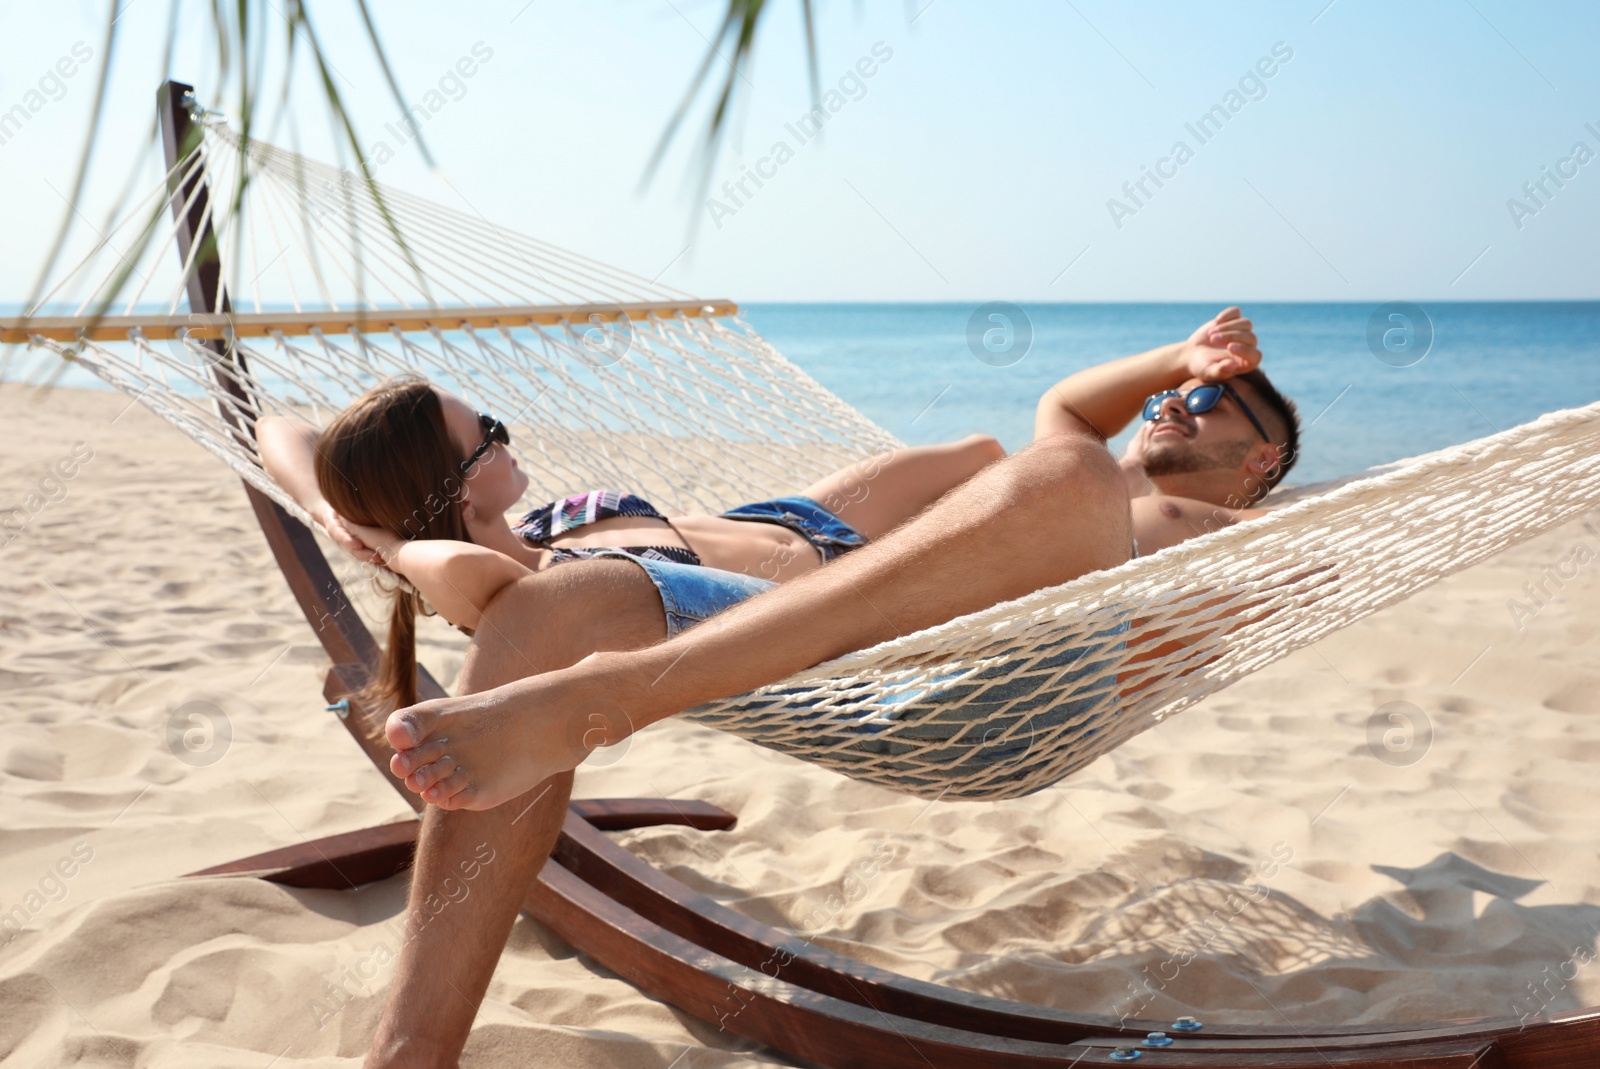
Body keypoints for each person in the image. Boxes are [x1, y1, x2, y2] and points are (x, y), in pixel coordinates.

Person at [310, 306, 1298, 1068]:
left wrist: (395, 542)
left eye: (1213, 403)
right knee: (1040, 462)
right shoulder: (1085, 455)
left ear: (1259, 461)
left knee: (1062, 476)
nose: (1182, 402)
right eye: (1186, 393)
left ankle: (603, 695)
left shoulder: (1234, 535)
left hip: (1007, 676)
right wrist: (1182, 358)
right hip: (859, 594)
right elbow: (1076, 415)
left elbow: (1164, 568)